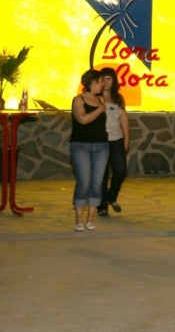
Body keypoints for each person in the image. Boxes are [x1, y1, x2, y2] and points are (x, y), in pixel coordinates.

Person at [69, 69, 109, 232]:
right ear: (92, 82)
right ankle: (79, 218)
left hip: (101, 145)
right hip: (80, 145)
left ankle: (91, 218)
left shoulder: (101, 99)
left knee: (97, 182)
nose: (103, 84)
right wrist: (100, 110)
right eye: (100, 81)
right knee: (84, 181)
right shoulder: (78, 100)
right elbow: (83, 119)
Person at [97, 67, 130, 217]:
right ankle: (102, 207)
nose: (106, 82)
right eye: (103, 78)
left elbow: (124, 119)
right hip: (101, 140)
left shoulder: (118, 98)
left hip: (117, 139)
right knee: (102, 175)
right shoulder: (95, 97)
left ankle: (111, 196)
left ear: (114, 81)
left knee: (121, 171)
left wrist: (127, 139)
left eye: (109, 78)